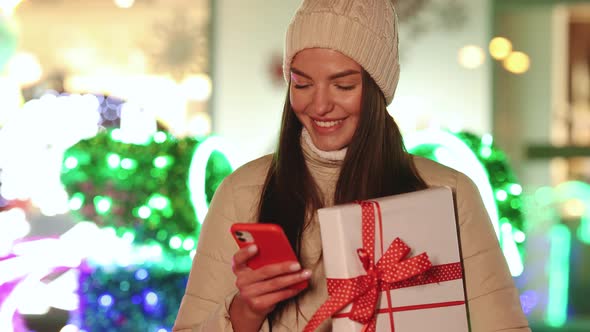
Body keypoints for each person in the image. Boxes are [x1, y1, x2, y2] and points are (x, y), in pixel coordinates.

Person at [173, 0, 531, 331]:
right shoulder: (243, 190)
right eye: (302, 83)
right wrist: (244, 312)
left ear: (378, 89)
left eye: (343, 85)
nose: (320, 105)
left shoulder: (448, 192)